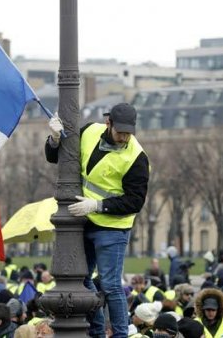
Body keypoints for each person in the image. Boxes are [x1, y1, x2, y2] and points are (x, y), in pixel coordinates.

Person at [45, 102, 149, 338]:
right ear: (108, 123)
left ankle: (121, 335)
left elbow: (135, 202)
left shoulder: (137, 157)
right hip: (84, 221)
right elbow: (58, 159)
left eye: (128, 133)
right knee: (80, 279)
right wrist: (54, 139)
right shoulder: (90, 131)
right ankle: (98, 329)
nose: (124, 137)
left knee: (111, 285)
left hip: (112, 227)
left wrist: (98, 205)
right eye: (120, 131)